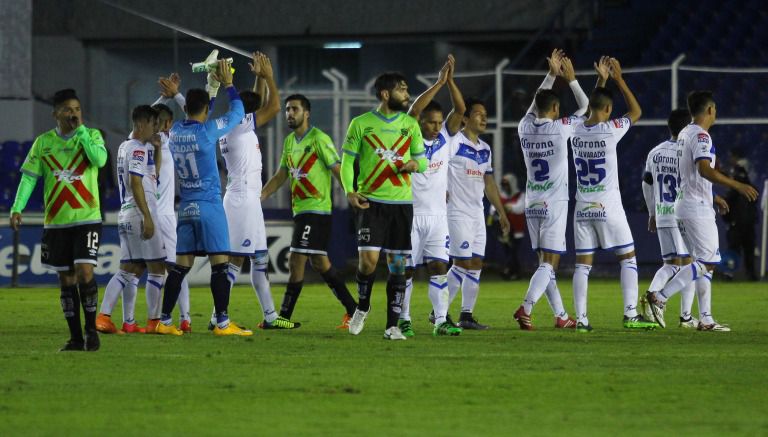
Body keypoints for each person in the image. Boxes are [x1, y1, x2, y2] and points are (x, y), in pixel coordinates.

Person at [645, 91, 759, 331]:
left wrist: (713, 196)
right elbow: (704, 170)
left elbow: (687, 174)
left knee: (703, 262)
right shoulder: (701, 136)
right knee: (708, 261)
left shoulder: (684, 134)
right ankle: (660, 297)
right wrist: (736, 185)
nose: (715, 113)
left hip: (687, 203)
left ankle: (705, 318)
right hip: (695, 208)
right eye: (715, 109)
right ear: (710, 110)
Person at [156, 59, 252, 336]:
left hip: (185, 207)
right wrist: (230, 85)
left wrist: (176, 95)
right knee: (220, 264)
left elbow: (192, 111)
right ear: (208, 110)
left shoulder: (173, 133)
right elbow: (237, 113)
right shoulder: (208, 132)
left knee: (180, 267)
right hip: (209, 206)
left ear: (185, 108)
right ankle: (222, 322)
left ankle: (164, 321)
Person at [10, 88, 108, 351]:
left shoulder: (92, 136)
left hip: (87, 217)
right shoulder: (43, 143)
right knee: (66, 279)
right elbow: (29, 177)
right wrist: (17, 207)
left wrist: (83, 132)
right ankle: (75, 337)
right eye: (68, 109)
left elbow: (98, 160)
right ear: (56, 114)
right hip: (56, 221)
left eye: (77, 109)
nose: (73, 114)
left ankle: (91, 330)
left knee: (85, 270)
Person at [570, 57, 657, 332]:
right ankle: (630, 315)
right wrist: (618, 79)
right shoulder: (611, 130)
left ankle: (581, 320)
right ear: (608, 109)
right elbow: (636, 111)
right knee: (628, 258)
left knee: (583, 266)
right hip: (608, 206)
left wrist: (602, 82)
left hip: (582, 206)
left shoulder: (574, 130)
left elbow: (590, 112)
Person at [341, 72, 427, 340]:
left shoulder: (410, 125)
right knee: (368, 262)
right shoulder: (361, 124)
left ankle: (392, 326)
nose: (407, 94)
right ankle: (362, 307)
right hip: (371, 202)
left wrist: (414, 164)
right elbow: (347, 162)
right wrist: (349, 191)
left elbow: (422, 161)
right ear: (385, 94)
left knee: (398, 265)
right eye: (402, 90)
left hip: (401, 203)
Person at [260, 94, 358, 328]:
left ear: (307, 113)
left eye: (294, 109)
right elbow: (281, 175)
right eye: (287, 110)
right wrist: (261, 195)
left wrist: (350, 192)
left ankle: (283, 317)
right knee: (320, 263)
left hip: (317, 210)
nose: (289, 114)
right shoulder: (289, 142)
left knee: (296, 261)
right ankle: (354, 309)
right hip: (301, 210)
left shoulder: (319, 139)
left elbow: (337, 168)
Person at [511, 50, 592, 331]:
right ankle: (526, 307)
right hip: (555, 202)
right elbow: (586, 109)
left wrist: (551, 75)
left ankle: (560, 316)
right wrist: (571, 80)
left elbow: (536, 104)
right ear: (556, 109)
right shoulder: (561, 128)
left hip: (532, 201)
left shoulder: (523, 126)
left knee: (545, 264)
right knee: (550, 263)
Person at [401, 54, 465, 337]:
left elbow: (460, 110)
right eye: (431, 122)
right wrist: (439, 82)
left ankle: (440, 321)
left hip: (438, 215)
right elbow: (414, 109)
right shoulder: (410, 134)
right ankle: (404, 318)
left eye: (439, 122)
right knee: (407, 271)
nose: (436, 126)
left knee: (439, 267)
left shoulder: (445, 138)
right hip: (411, 214)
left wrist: (451, 83)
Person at [96, 105, 167, 334]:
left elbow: (151, 175)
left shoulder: (126, 147)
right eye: (154, 124)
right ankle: (154, 322)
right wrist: (147, 217)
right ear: (141, 124)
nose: (156, 129)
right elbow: (136, 182)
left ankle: (113, 319)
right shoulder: (137, 149)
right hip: (139, 214)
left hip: (126, 214)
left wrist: (157, 149)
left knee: (130, 270)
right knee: (157, 269)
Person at [445, 97, 510, 330]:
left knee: (475, 264)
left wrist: (501, 212)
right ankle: (438, 312)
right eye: (478, 113)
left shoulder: (485, 148)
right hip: (456, 211)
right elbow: (439, 166)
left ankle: (466, 315)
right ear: (464, 118)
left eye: (485, 113)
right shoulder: (453, 142)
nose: (484, 117)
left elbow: (489, 182)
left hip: (476, 213)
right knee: (461, 261)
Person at [640, 108, 703, 328]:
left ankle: (650, 297)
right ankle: (684, 316)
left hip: (663, 214)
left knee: (670, 264)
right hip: (681, 215)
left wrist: (652, 213)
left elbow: (646, 183)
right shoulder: (687, 152)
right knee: (689, 265)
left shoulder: (654, 152)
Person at [724, 148, 759, 281]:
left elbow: (727, 202)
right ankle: (737, 274)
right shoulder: (750, 189)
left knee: (740, 250)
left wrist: (729, 220)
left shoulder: (736, 190)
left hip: (739, 224)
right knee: (741, 250)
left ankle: (731, 274)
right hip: (743, 223)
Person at [493, 173, 525, 281]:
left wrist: (507, 207)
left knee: (513, 251)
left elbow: (520, 208)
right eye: (504, 184)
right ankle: (513, 272)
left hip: (517, 229)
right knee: (508, 251)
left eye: (507, 184)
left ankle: (510, 270)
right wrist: (503, 208)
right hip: (504, 230)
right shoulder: (500, 196)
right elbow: (493, 209)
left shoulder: (520, 196)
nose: (505, 187)